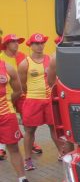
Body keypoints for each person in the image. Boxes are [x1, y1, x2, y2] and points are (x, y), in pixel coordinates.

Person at [18, 33, 64, 170]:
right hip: (33, 100)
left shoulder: (50, 60)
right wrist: (32, 94)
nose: (39, 46)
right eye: (36, 44)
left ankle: (62, 153)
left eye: (42, 43)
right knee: (30, 131)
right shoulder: (25, 63)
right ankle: (27, 159)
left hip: (49, 100)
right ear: (30, 46)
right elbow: (22, 85)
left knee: (54, 128)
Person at [0, 33, 42, 160]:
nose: (16, 44)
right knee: (4, 121)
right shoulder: (2, 59)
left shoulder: (23, 57)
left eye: (17, 41)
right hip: (6, 96)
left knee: (27, 121)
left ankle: (31, 143)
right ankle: (2, 149)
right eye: (13, 42)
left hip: (22, 94)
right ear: (6, 44)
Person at [0, 56, 34, 182]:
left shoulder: (7, 68)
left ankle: (22, 181)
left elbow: (18, 91)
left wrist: (6, 102)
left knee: (13, 148)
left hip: (6, 115)